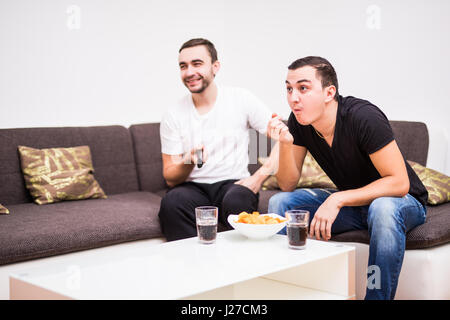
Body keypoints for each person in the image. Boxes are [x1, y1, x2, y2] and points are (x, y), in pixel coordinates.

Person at [267, 56, 428, 300]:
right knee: (280, 203)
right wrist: (285, 144)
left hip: (401, 201)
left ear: (329, 92)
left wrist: (337, 199)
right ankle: (291, 290)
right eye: (289, 89)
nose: (293, 97)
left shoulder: (363, 117)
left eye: (303, 88)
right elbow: (287, 184)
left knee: (382, 208)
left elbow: (399, 182)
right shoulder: (299, 122)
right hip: (356, 205)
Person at [158, 38, 274, 241]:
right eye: (183, 66)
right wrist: (188, 161)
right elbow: (170, 176)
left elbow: (286, 137)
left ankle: (238, 268)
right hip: (193, 187)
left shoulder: (240, 98)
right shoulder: (173, 114)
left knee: (237, 199)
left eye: (197, 63)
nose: (189, 72)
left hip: (233, 183)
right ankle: (192, 265)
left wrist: (259, 177)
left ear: (215, 67)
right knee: (172, 202)